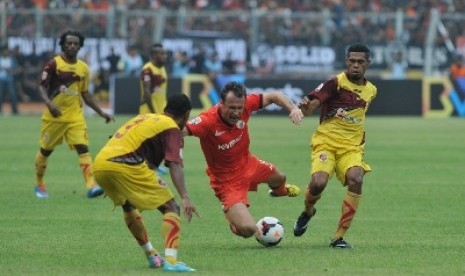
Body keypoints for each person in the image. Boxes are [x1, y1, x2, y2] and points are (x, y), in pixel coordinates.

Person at [93, 93, 199, 272]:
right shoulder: (172, 127)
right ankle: (171, 262)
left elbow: (116, 139)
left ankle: (151, 256)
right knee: (171, 207)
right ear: (187, 115)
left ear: (165, 109)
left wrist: (110, 176)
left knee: (128, 206)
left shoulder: (145, 117)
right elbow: (174, 163)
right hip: (126, 164)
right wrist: (185, 197)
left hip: (101, 162)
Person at [184, 81, 303, 239]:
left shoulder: (247, 104)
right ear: (221, 104)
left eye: (239, 108)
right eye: (232, 108)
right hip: (227, 182)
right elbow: (181, 130)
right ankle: (232, 219)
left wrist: (293, 108)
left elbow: (274, 96)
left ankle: (279, 191)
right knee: (248, 230)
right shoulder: (207, 121)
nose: (236, 112)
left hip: (249, 164)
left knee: (280, 178)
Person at [293, 43, 377, 249]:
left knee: (356, 178)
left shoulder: (371, 90)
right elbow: (313, 104)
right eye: (352, 61)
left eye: (360, 62)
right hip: (326, 144)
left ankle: (338, 237)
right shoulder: (335, 82)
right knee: (318, 184)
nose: (355, 65)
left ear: (368, 64)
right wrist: (306, 108)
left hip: (351, 149)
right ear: (346, 61)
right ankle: (308, 211)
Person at [34, 30, 114, 199]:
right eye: (69, 43)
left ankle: (91, 185)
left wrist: (101, 113)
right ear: (63, 44)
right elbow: (42, 86)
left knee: (83, 148)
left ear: (80, 46)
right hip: (54, 117)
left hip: (75, 117)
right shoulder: (53, 64)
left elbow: (85, 94)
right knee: (45, 151)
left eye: (75, 44)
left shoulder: (83, 68)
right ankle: (39, 183)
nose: (72, 46)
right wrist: (49, 104)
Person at [139, 43, 168, 115]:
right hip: (149, 111)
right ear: (155, 55)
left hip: (161, 110)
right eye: (162, 54)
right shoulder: (148, 69)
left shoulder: (162, 68)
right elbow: (146, 91)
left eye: (165, 54)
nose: (165, 56)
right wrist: (153, 111)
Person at [0, 46, 19, 115]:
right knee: (0, 95)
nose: (6, 52)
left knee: (12, 94)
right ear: (2, 52)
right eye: (4, 51)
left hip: (9, 79)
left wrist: (11, 72)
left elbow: (16, 69)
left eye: (7, 51)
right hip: (1, 79)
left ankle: (15, 111)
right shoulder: (0, 59)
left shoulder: (12, 59)